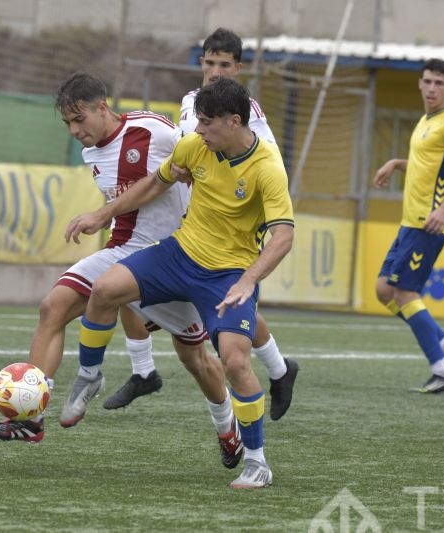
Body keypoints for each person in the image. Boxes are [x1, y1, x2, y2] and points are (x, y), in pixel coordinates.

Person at [0, 72, 244, 471]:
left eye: (79, 119)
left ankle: (227, 429)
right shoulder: (92, 153)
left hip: (174, 258)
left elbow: (198, 155)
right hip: (122, 252)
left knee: (196, 360)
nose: (74, 131)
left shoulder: (153, 131)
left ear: (101, 108)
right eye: (67, 124)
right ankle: (30, 419)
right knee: (53, 307)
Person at [65, 77, 295, 488]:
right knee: (104, 290)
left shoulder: (267, 169)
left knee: (235, 362)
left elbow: (283, 236)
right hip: (179, 254)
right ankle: (90, 375)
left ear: (235, 121)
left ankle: (257, 461)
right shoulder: (195, 146)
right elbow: (154, 183)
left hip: (228, 275)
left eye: (206, 123)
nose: (197, 131)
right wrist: (102, 216)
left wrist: (249, 280)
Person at [104, 27, 299, 421]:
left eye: (223, 65)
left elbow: (266, 168)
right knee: (121, 274)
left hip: (231, 226)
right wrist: (181, 166)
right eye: (209, 63)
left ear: (238, 68)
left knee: (229, 306)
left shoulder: (248, 113)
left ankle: (276, 371)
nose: (214, 71)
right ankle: (144, 369)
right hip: (188, 214)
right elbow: (186, 150)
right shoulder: (191, 101)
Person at [373, 58, 444, 393]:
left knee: (404, 293)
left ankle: (443, 371)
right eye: (427, 82)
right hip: (410, 223)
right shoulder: (425, 120)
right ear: (419, 84)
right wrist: (395, 163)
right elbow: (424, 166)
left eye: (438, 83)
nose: (432, 88)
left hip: (428, 224)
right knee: (383, 291)